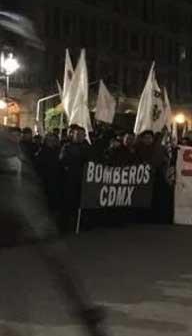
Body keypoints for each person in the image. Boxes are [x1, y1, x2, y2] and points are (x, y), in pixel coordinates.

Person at [0, 128, 110, 335]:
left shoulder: (5, 140)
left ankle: (87, 314)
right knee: (56, 259)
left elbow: (23, 177)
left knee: (56, 259)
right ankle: (86, 314)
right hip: (21, 208)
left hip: (19, 207)